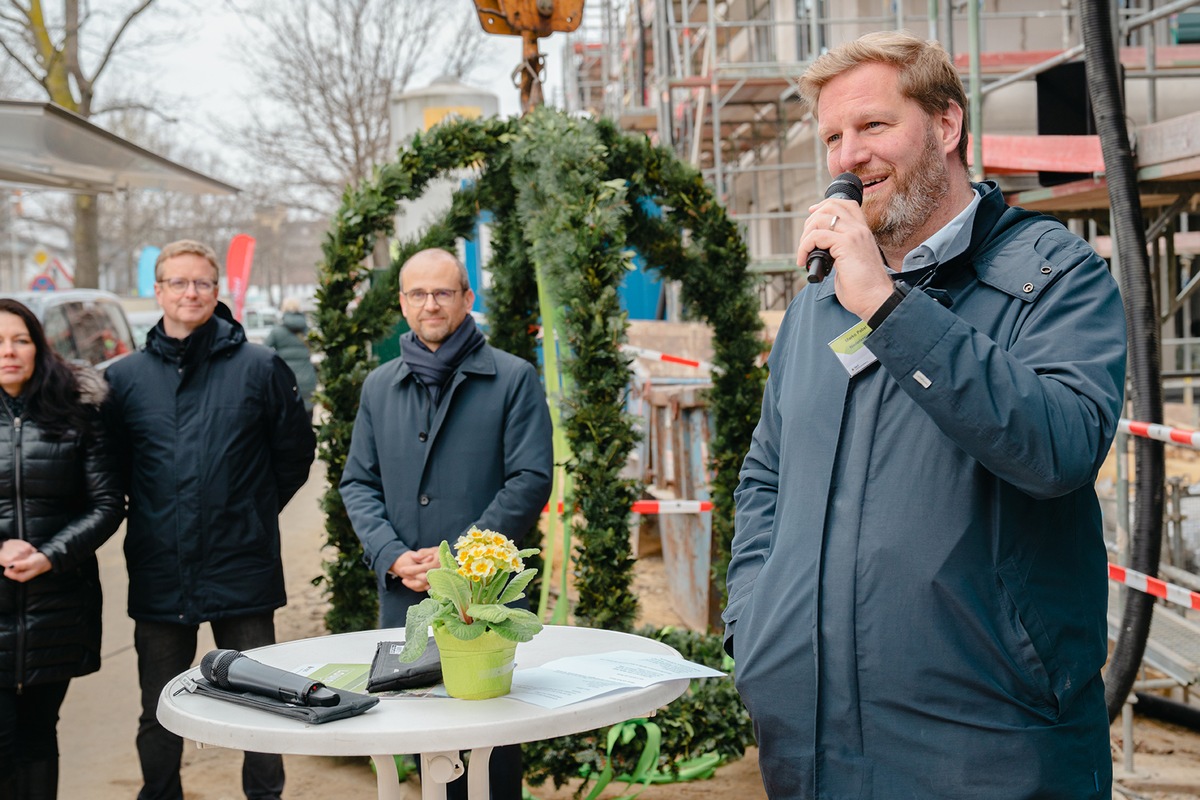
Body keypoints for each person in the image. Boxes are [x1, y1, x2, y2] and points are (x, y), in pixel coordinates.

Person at [723, 31, 1126, 799]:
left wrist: (887, 305)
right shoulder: (817, 303)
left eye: (874, 127)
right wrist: (757, 629)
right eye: (834, 137)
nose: (849, 157)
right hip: (810, 735)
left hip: (984, 747)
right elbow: (768, 473)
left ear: (946, 126)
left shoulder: (1053, 274)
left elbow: (1060, 448)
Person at [103, 239, 316, 800]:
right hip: (159, 569)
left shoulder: (260, 367)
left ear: (217, 291)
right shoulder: (125, 380)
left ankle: (264, 796)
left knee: (265, 708)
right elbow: (113, 468)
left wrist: (252, 510)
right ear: (159, 290)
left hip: (242, 568)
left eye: (201, 282)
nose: (190, 292)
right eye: (178, 282)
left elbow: (295, 452)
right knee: (159, 709)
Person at [340, 247, 553, 800]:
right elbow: (357, 483)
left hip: (485, 603)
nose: (430, 304)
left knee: (492, 749)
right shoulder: (379, 386)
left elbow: (529, 479)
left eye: (442, 292)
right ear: (403, 303)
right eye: (417, 293)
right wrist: (388, 552)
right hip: (405, 595)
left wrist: (459, 559)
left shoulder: (512, 378)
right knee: (422, 744)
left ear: (467, 298)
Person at [0, 299, 124, 800]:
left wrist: (49, 555)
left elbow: (108, 503)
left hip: (58, 600)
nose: (8, 351)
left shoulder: (77, 408)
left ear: (38, 345)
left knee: (38, 734)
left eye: (20, 340)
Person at [263, 298, 317, 420]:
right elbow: (316, 346)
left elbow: (264, 351)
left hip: (286, 380)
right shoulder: (307, 330)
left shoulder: (276, 331)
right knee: (307, 418)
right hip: (308, 379)